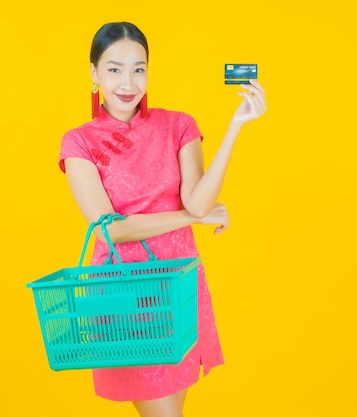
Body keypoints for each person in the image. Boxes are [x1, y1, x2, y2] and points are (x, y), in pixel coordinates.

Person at [58, 21, 266, 417]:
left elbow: (200, 202)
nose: (128, 82)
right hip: (123, 300)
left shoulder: (178, 125)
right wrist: (189, 217)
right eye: (114, 69)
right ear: (93, 74)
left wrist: (235, 128)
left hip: (179, 291)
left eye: (139, 68)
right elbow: (112, 229)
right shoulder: (79, 141)